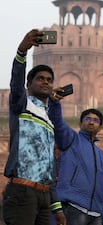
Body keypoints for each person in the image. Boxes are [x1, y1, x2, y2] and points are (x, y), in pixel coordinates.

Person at [2, 29, 66, 225]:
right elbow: (16, 82)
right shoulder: (21, 105)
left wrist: (56, 207)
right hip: (22, 191)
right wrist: (22, 52)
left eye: (49, 80)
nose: (45, 82)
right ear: (29, 84)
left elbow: (48, 166)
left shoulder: (47, 120)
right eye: (40, 79)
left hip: (44, 197)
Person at [48, 97, 103, 225]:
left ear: (100, 127)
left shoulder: (100, 154)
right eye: (87, 119)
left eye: (95, 120)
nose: (91, 122)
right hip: (73, 207)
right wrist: (54, 103)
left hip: (96, 214)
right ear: (80, 123)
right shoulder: (71, 140)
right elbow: (58, 123)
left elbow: (102, 188)